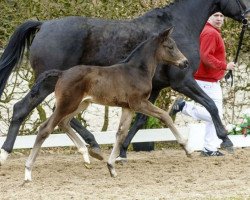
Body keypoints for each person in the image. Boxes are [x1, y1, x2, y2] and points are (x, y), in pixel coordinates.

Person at [169, 12, 236, 156]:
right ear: (208, 17)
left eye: (222, 16)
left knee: (215, 116)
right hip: (206, 81)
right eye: (216, 15)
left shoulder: (209, 31)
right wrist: (225, 66)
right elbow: (205, 57)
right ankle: (184, 107)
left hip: (210, 80)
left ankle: (209, 149)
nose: (219, 19)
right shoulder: (210, 33)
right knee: (215, 114)